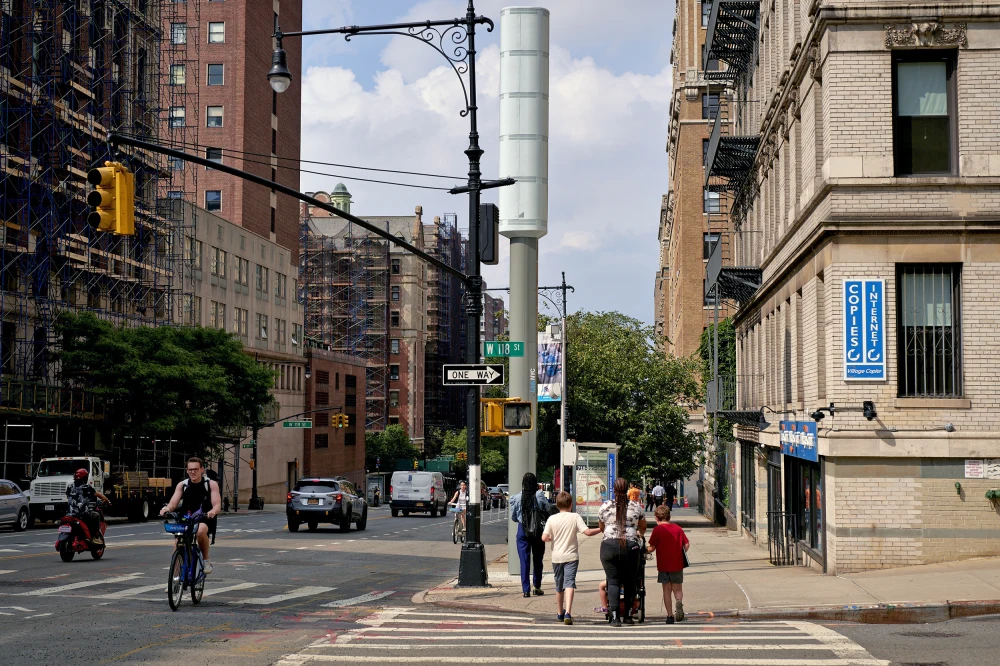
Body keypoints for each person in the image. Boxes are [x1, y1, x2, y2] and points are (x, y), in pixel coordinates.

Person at [541, 491, 601, 624]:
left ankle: (559, 612)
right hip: (571, 556)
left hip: (557, 557)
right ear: (571, 505)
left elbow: (544, 538)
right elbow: (587, 532)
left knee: (559, 586)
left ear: (557, 505)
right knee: (570, 583)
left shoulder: (552, 519)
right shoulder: (575, 517)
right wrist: (601, 529)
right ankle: (568, 612)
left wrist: (553, 538)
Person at [598, 477, 647, 626]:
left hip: (609, 546)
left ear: (613, 489)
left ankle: (614, 617)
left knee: (612, 581)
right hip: (630, 546)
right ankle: (627, 615)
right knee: (630, 581)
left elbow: (601, 527)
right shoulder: (635, 506)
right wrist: (639, 534)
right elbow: (643, 526)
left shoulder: (605, 506)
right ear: (627, 490)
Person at [160, 457, 222, 574]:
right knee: (178, 543)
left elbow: (217, 504)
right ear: (187, 470)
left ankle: (205, 560)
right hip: (186, 517)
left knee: (200, 531)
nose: (193, 472)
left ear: (202, 469)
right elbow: (173, 503)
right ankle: (175, 579)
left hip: (205, 516)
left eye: (196, 469)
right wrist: (166, 508)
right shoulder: (182, 485)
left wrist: (213, 511)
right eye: (190, 469)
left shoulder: (210, 484)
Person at [510, 472, 551, 598]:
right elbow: (547, 508)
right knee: (538, 559)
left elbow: (513, 517)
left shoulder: (516, 498)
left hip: (522, 531)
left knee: (524, 561)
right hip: (538, 531)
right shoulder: (539, 495)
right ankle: (537, 586)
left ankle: (526, 589)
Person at [647, 503, 690, 624]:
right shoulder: (678, 528)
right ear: (669, 517)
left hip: (663, 565)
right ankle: (679, 601)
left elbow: (652, 548)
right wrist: (681, 552)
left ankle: (670, 616)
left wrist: (645, 549)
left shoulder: (657, 530)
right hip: (677, 564)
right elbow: (686, 544)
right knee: (677, 588)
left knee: (666, 590)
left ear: (656, 518)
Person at [66, 468, 110, 545]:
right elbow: (98, 495)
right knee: (96, 515)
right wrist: (107, 500)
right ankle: (95, 536)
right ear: (85, 478)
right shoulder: (86, 487)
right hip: (82, 514)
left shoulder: (69, 487)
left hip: (70, 513)